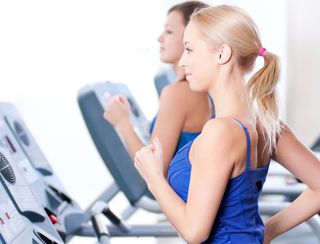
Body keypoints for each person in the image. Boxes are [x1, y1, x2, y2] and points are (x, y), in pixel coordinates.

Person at [134, 5, 320, 244]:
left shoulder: (220, 132)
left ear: (222, 54)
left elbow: (193, 232)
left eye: (189, 49)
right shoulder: (267, 125)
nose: (182, 61)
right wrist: (268, 231)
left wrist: (154, 178)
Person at [103, 1, 213, 178]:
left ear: (191, 37)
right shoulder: (204, 90)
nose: (160, 38)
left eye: (169, 31)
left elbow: (154, 169)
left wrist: (122, 123)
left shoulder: (177, 93)